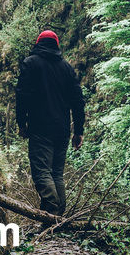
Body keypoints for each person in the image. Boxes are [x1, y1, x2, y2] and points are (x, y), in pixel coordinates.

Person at [15, 29, 84, 216]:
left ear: (38, 44)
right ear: (57, 46)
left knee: (42, 173)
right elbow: (78, 101)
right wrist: (78, 131)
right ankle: (58, 218)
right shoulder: (67, 68)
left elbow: (22, 96)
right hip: (62, 129)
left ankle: (52, 212)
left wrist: (22, 123)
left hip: (40, 128)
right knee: (56, 174)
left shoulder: (31, 64)